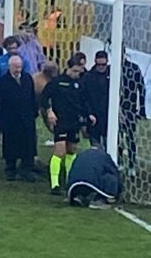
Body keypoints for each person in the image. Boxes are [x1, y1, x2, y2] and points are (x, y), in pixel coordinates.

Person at [40, 57, 96, 195]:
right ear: (69, 68)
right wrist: (49, 111)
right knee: (60, 152)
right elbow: (44, 98)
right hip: (61, 121)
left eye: (79, 71)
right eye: (75, 71)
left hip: (74, 121)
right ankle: (54, 183)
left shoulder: (80, 84)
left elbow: (84, 101)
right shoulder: (57, 82)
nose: (77, 74)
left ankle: (69, 179)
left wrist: (89, 114)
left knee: (71, 151)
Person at [0, 55, 37, 182]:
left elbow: (32, 96)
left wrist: (33, 112)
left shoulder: (27, 78)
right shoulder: (3, 81)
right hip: (10, 118)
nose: (18, 70)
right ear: (10, 67)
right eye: (15, 67)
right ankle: (10, 169)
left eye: (20, 67)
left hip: (27, 117)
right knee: (10, 143)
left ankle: (26, 169)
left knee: (28, 143)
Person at [119, 56, 146, 177]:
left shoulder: (133, 68)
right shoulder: (112, 68)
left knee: (130, 137)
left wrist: (142, 108)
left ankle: (131, 164)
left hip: (130, 109)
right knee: (118, 137)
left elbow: (142, 88)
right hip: (116, 109)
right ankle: (119, 161)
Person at [81, 51, 110, 149]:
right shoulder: (88, 77)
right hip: (94, 116)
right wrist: (89, 113)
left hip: (108, 116)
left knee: (110, 144)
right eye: (99, 65)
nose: (101, 67)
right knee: (95, 145)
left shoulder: (112, 76)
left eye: (103, 65)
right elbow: (84, 97)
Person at [33, 61, 59, 146]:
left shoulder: (51, 79)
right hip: (36, 103)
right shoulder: (39, 79)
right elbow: (42, 95)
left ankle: (56, 137)